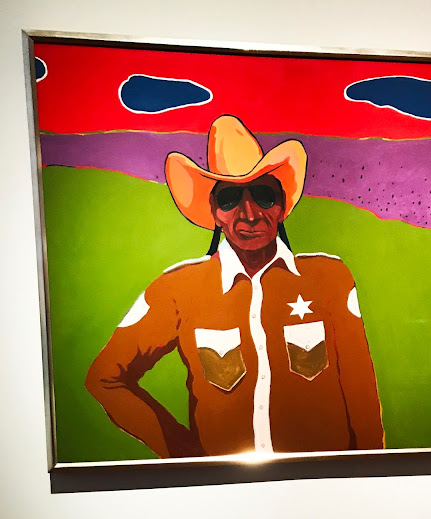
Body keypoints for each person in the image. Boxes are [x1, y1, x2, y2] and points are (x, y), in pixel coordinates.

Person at [85, 115, 384, 458]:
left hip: (321, 484)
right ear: (214, 211)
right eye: (229, 199)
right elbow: (104, 377)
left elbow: (362, 398)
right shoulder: (177, 289)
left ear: (282, 205)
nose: (249, 214)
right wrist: (182, 453)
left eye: (263, 195)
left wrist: (369, 476)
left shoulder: (330, 278)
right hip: (223, 488)